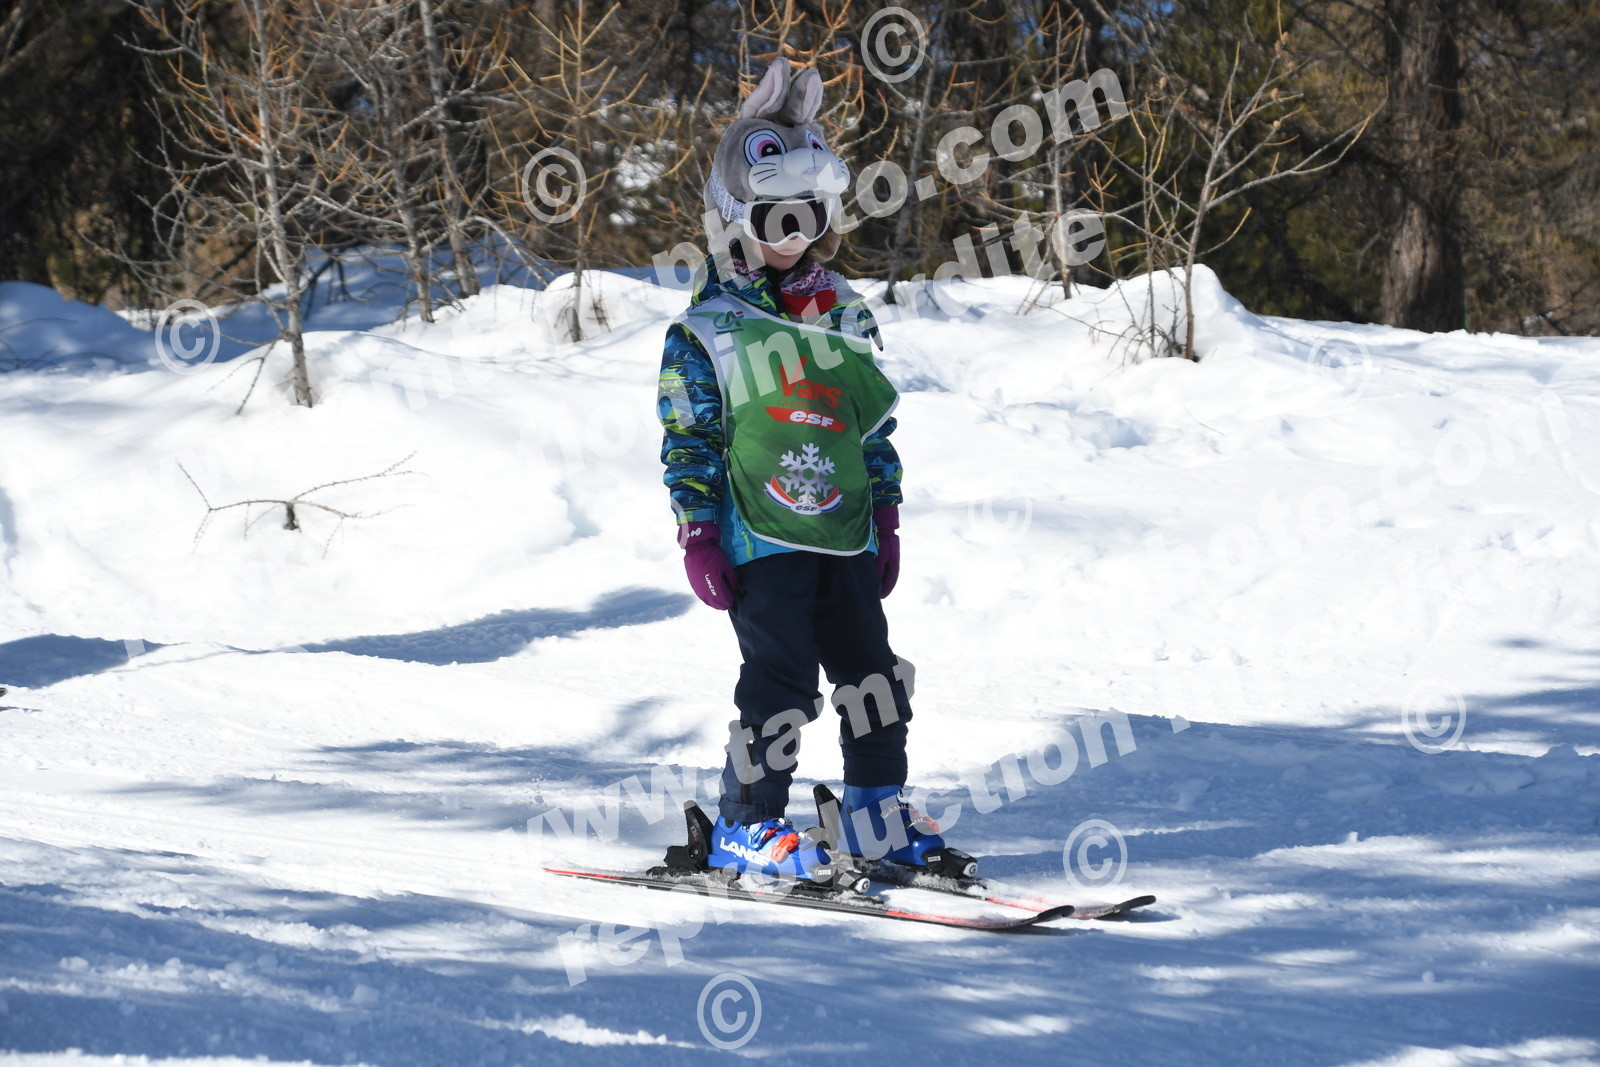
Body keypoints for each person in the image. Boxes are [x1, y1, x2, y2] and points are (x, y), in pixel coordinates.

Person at [655, 57, 967, 885]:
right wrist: (697, 530)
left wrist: (887, 514)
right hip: (761, 537)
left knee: (875, 681)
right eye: (776, 218)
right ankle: (746, 825)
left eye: (809, 217)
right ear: (737, 220)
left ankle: (874, 814)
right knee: (782, 683)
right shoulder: (709, 328)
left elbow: (872, 424)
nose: (794, 235)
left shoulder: (843, 313)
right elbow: (688, 436)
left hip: (845, 530)